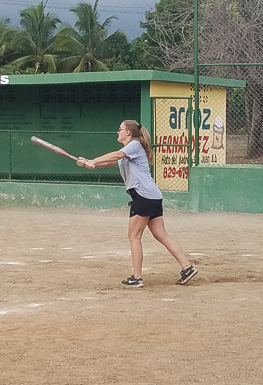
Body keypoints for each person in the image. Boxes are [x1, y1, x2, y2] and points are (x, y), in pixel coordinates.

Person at [76, 120, 198, 288]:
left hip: (143, 196)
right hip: (152, 196)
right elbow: (110, 162)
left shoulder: (134, 145)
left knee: (134, 236)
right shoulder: (128, 152)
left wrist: (94, 160)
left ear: (128, 133)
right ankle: (187, 267)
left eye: (120, 129)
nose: (118, 132)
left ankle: (137, 277)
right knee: (161, 235)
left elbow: (117, 155)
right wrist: (89, 162)